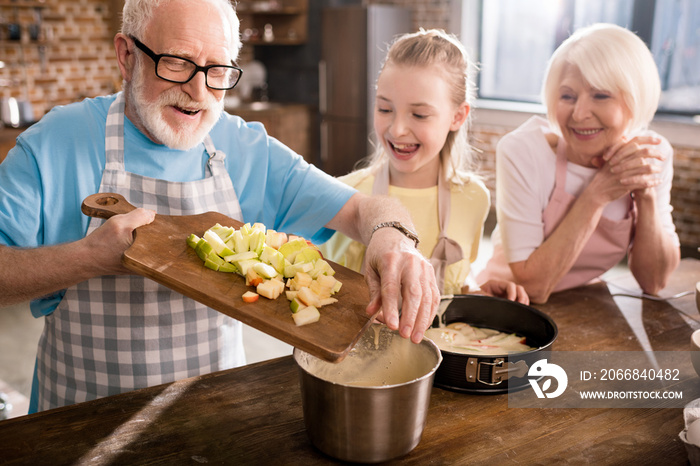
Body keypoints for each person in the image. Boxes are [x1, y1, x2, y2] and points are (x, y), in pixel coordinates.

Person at [0, 0, 439, 413]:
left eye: (217, 70)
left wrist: (395, 240)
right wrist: (87, 259)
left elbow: (368, 209)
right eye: (176, 62)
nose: (198, 91)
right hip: (78, 417)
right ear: (126, 55)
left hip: (215, 417)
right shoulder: (54, 143)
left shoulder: (245, 148)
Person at [320, 29, 528, 303]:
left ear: (457, 116)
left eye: (419, 114)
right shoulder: (346, 194)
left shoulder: (473, 197)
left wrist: (477, 292)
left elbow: (454, 281)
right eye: (385, 109)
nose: (397, 129)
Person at [477, 23, 680, 304]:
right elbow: (534, 287)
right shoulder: (523, 151)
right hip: (509, 305)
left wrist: (645, 196)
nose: (580, 113)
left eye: (600, 95)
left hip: (586, 303)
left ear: (635, 98)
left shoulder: (651, 154)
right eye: (567, 96)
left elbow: (654, 282)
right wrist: (598, 194)